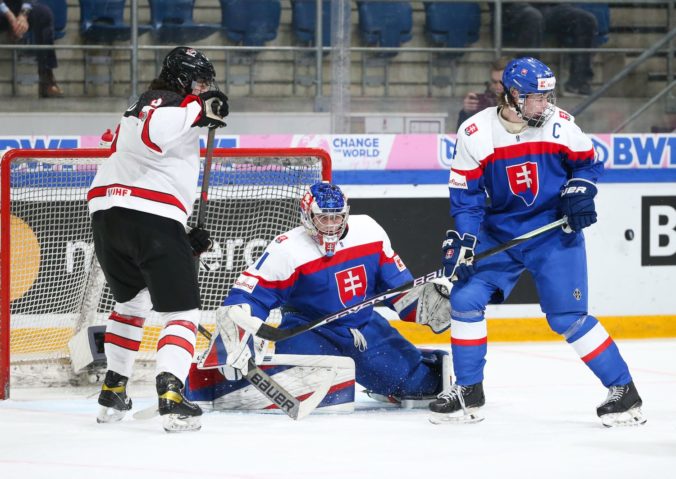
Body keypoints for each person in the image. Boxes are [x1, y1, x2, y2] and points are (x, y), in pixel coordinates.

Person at [430, 57, 646, 427]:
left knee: (567, 318)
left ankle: (623, 391)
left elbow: (589, 163)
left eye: (548, 96)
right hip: (500, 233)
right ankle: (469, 390)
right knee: (465, 299)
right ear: (512, 95)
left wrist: (580, 190)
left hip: (553, 232)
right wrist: (465, 240)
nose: (545, 105)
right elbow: (466, 196)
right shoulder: (474, 133)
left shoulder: (560, 125)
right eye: (536, 98)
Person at [206, 182, 453, 406]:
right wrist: (237, 335)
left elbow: (398, 289)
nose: (331, 225)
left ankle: (412, 368)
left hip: (363, 329)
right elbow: (247, 296)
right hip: (307, 330)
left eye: (337, 218)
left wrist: (427, 304)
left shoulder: (369, 231)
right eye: (323, 218)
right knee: (313, 390)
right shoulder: (288, 249)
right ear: (307, 216)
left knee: (419, 385)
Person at [87, 46, 229, 432]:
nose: (203, 89)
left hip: (109, 216)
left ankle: (114, 391)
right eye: (199, 82)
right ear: (182, 79)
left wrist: (179, 231)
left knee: (133, 305)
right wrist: (199, 109)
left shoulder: (143, 105)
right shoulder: (165, 102)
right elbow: (155, 135)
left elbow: (135, 156)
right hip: (148, 215)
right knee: (182, 313)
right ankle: (172, 394)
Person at [501, 3, 598, 96]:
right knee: (532, 17)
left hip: (551, 6)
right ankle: (528, 83)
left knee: (585, 19)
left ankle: (579, 83)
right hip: (516, 6)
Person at [0, 0, 63, 97]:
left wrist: (23, 15)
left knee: (44, 14)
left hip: (18, 5)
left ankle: (46, 79)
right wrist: (10, 17)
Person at [456, 57, 508, 131]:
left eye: (502, 82)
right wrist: (466, 113)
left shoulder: (524, 103)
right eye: (494, 82)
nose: (498, 86)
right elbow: (463, 134)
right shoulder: (480, 103)